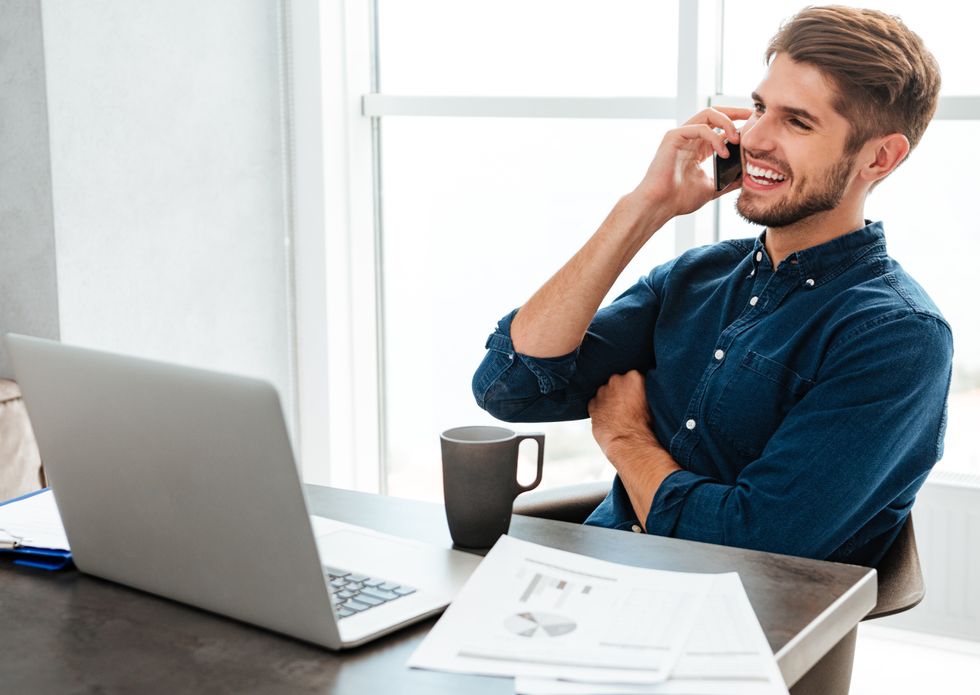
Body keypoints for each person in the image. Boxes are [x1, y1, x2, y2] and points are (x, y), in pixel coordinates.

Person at [471, 5, 951, 567]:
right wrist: (645, 209)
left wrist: (627, 441)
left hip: (728, 630)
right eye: (758, 108)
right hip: (591, 584)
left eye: (797, 122)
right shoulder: (696, 277)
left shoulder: (897, 336)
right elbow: (511, 387)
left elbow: (748, 546)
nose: (756, 139)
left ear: (881, 156)